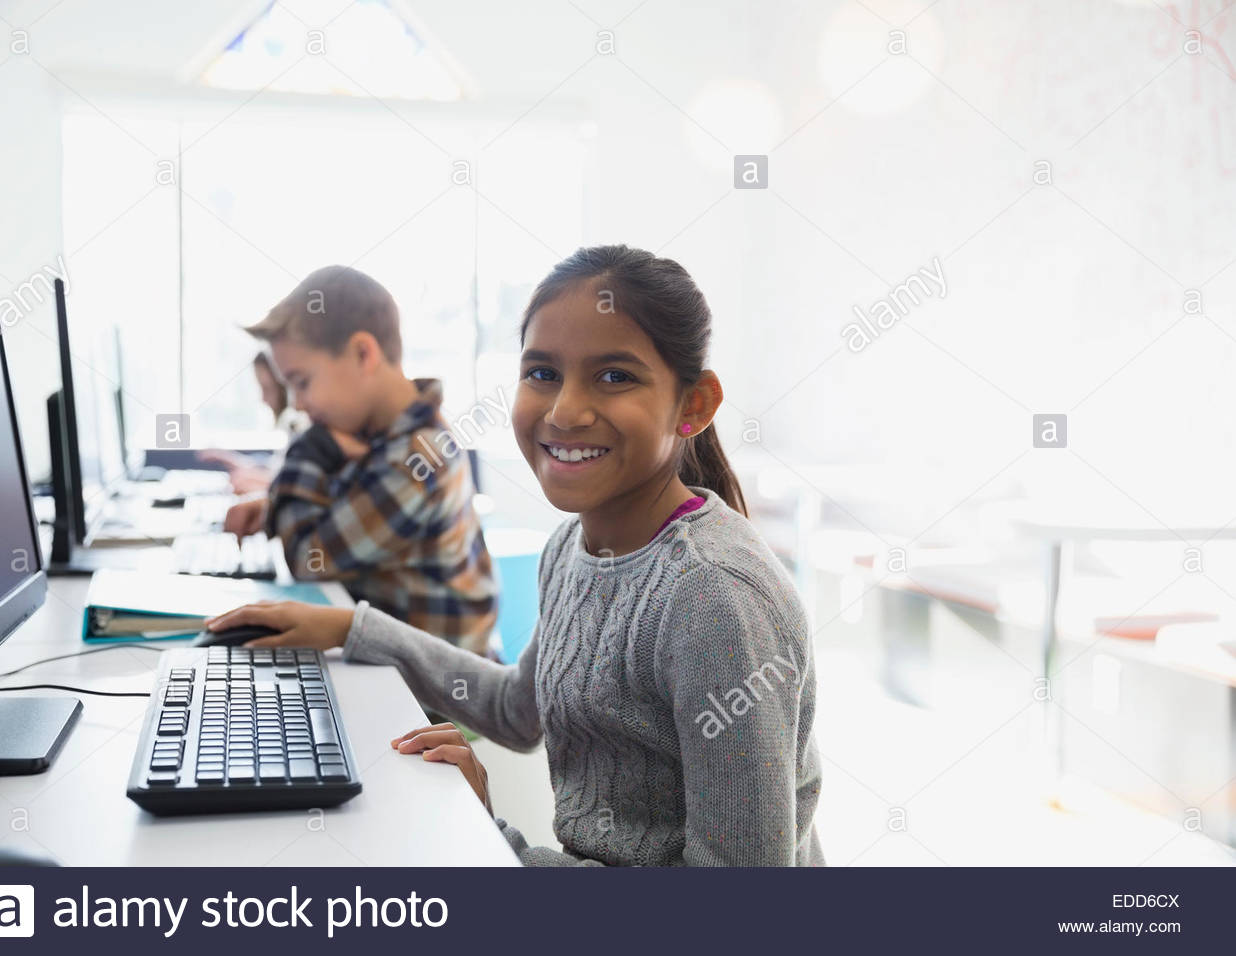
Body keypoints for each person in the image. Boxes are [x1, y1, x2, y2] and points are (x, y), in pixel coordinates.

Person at [207, 246, 824, 866]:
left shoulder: (714, 596)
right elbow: (516, 708)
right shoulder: (574, 545)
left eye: (615, 376)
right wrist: (351, 627)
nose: (564, 411)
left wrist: (499, 844)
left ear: (693, 404)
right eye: (542, 374)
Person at [221, 265, 498, 655]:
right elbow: (343, 510)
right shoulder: (385, 436)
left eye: (302, 382)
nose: (298, 404)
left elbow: (307, 558)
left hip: (436, 700)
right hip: (396, 674)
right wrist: (272, 510)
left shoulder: (419, 458)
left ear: (363, 353)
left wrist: (314, 446)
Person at [199, 352, 309, 494]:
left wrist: (268, 487)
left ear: (285, 388)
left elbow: (298, 481)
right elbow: (278, 464)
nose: (263, 398)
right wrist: (238, 462)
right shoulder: (290, 427)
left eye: (267, 388)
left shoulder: (303, 426)